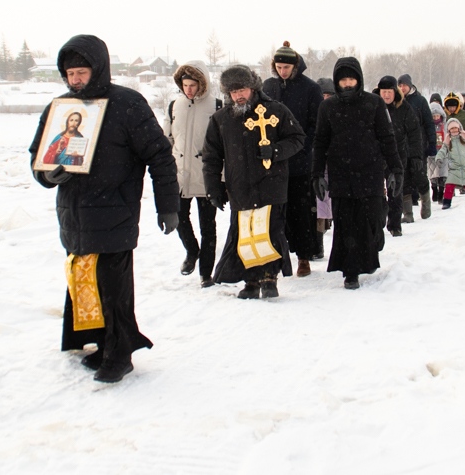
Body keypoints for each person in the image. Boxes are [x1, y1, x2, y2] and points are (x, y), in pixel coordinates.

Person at [30, 34, 179, 384]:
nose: (76, 80)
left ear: (98, 69)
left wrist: (168, 206)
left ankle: (119, 355)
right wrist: (47, 175)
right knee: (85, 282)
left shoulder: (127, 104)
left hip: (115, 211)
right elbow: (39, 156)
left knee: (113, 289)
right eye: (70, 74)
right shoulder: (60, 109)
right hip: (74, 214)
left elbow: (159, 156)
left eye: (82, 72)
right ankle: (101, 343)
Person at [202, 65, 306, 299]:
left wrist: (276, 150)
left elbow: (297, 138)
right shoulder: (221, 119)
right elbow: (211, 157)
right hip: (240, 186)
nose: (238, 96)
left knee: (269, 232)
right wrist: (213, 188)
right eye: (233, 92)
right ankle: (251, 280)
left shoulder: (276, 110)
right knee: (246, 235)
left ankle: (269, 277)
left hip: (271, 184)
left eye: (242, 90)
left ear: (253, 87)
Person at [312, 57, 402, 290]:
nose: (347, 84)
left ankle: (372, 246)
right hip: (340, 174)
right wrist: (317, 174)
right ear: (337, 82)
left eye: (351, 79)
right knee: (346, 225)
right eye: (343, 80)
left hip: (370, 172)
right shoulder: (328, 107)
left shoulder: (374, 103)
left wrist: (396, 169)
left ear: (359, 79)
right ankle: (350, 272)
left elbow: (387, 138)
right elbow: (320, 142)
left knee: (372, 219)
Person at [262, 42, 323, 278]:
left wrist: (301, 148)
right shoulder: (268, 86)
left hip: (300, 161)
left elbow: (315, 124)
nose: (282, 71)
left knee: (302, 211)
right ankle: (278, 256)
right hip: (273, 162)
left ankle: (304, 257)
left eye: (286, 67)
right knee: (277, 213)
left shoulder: (310, 88)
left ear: (295, 66)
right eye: (278, 67)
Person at [165, 60, 221, 288]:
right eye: (185, 85)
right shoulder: (174, 106)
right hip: (180, 175)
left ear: (202, 84)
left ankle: (206, 273)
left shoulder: (216, 106)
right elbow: (167, 139)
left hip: (206, 176)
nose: (188, 90)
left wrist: (221, 178)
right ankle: (192, 251)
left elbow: (223, 146)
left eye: (193, 85)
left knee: (208, 226)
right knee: (179, 218)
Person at [374, 75, 423, 236]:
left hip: (397, 154)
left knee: (395, 190)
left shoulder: (404, 108)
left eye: (390, 92)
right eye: (384, 92)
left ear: (395, 92)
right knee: (375, 190)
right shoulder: (373, 105)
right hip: (376, 154)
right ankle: (379, 219)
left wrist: (416, 156)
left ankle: (394, 225)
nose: (386, 95)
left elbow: (414, 133)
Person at [397, 74, 438, 220]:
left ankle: (426, 207)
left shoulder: (420, 101)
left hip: (418, 145)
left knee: (420, 176)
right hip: (401, 147)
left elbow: (429, 123)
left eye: (404, 85)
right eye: (399, 85)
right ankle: (408, 214)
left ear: (410, 86)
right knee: (404, 180)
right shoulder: (396, 102)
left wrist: (432, 143)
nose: (402, 88)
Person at [313, 77, 336, 260]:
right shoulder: (313, 114)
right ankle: (318, 245)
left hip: (337, 164)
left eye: (329, 95)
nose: (325, 99)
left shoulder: (340, 112)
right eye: (322, 95)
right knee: (319, 203)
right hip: (316, 164)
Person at [427, 101, 449, 204]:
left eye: (437, 115)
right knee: (432, 173)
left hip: (443, 151)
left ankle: (441, 192)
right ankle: (434, 189)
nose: (436, 118)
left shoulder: (445, 125)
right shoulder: (427, 126)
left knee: (443, 173)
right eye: (433, 116)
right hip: (432, 152)